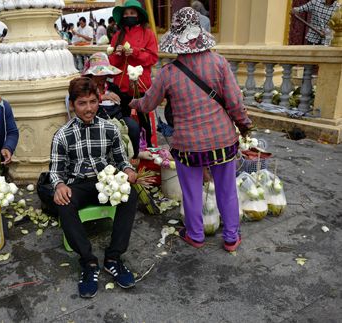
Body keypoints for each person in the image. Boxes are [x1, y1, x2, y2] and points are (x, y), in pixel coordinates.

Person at [130, 8, 253, 252]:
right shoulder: (219, 62)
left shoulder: (168, 73)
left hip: (188, 146)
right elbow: (235, 102)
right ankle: (231, 238)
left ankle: (196, 235)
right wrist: (245, 125)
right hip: (223, 142)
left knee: (192, 192)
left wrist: (133, 102)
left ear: (176, 39)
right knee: (227, 190)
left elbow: (148, 104)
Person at [49, 77, 139, 298]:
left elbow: (121, 159)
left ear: (99, 101)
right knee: (63, 203)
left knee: (131, 194)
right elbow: (55, 171)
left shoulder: (109, 129)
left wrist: (127, 171)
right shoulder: (62, 135)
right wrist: (59, 185)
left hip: (105, 182)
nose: (88, 108)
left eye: (92, 102)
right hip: (77, 185)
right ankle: (88, 263)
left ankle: (113, 258)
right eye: (82, 103)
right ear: (72, 105)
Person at [108, 0, 158, 147]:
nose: (128, 16)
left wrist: (135, 52)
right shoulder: (117, 36)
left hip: (140, 86)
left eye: (132, 13)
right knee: (122, 121)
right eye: (126, 13)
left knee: (144, 122)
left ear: (138, 16)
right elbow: (111, 63)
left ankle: (148, 149)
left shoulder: (148, 34)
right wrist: (117, 54)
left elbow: (153, 58)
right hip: (121, 86)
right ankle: (124, 151)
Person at [82, 52, 141, 158]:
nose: (102, 76)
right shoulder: (86, 88)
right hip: (97, 121)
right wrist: (101, 97)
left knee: (133, 126)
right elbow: (82, 101)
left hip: (117, 119)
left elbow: (126, 101)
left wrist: (132, 89)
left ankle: (134, 157)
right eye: (99, 74)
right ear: (92, 74)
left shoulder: (112, 87)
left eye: (104, 73)